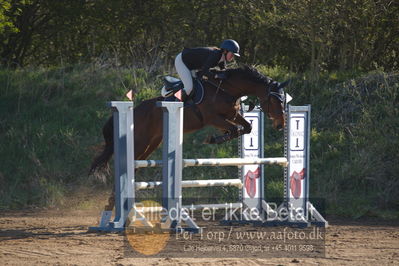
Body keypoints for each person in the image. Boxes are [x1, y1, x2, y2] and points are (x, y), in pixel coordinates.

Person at [174, 39, 240, 102]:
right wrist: (216, 75)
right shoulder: (215, 55)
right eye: (232, 54)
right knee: (189, 88)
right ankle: (175, 101)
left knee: (196, 84)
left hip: (191, 65)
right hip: (182, 61)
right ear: (225, 51)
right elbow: (204, 72)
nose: (232, 57)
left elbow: (224, 71)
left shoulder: (221, 58)